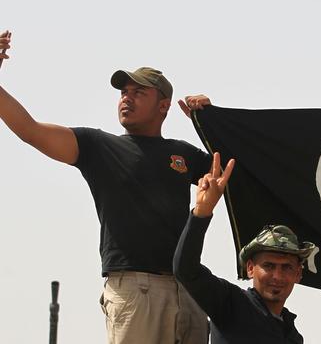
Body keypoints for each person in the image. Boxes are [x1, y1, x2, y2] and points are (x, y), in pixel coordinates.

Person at [0, 30, 214, 343]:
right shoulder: (98, 146)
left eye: (139, 92)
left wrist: (209, 121)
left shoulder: (183, 154)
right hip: (135, 289)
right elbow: (31, 131)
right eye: (124, 92)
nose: (127, 97)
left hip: (188, 287)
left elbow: (236, 174)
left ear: (164, 105)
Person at [173, 151, 314, 344]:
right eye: (269, 266)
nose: (277, 276)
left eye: (287, 267)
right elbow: (185, 269)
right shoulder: (230, 303)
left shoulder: (292, 336)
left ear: (298, 274)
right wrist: (202, 213)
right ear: (250, 268)